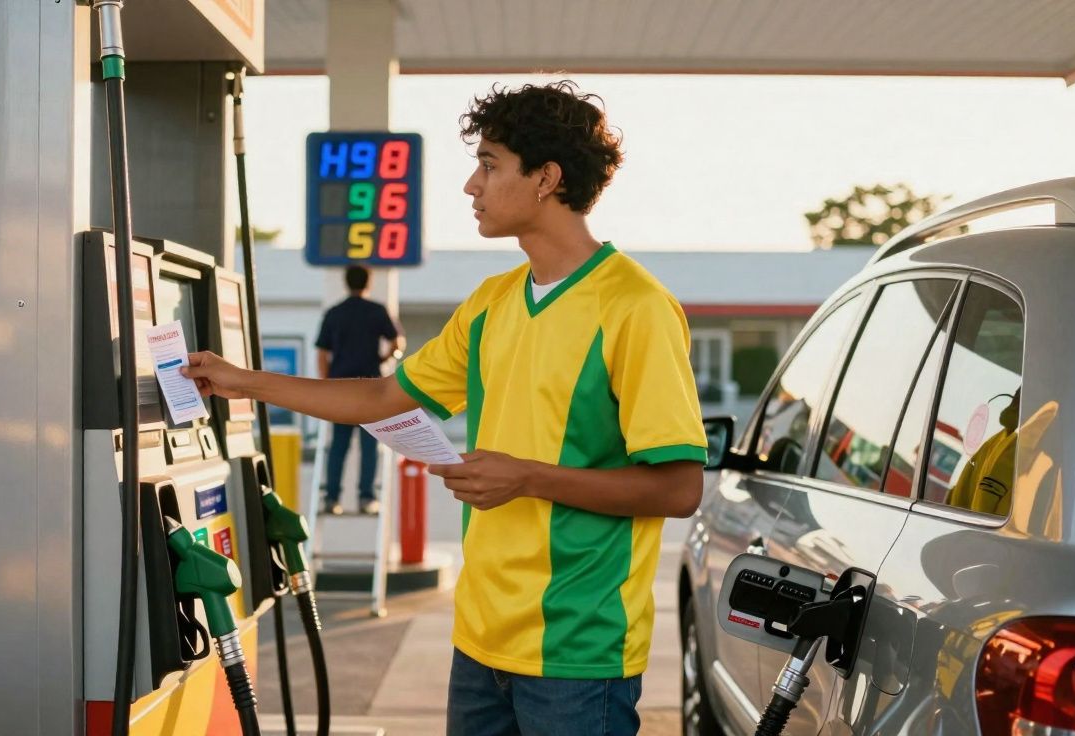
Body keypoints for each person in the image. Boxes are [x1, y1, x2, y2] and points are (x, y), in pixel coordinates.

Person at [184, 80, 706, 735]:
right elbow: (381, 396)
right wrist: (243, 381)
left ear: (546, 178)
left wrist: (527, 477)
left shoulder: (636, 308)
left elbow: (680, 487)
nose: (471, 185)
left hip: (577, 653)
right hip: (480, 640)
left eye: (489, 164)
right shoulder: (490, 301)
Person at [315, 265, 404, 515]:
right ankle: (367, 498)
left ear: (346, 282)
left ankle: (331, 499)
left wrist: (326, 385)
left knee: (338, 447)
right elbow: (398, 342)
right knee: (369, 447)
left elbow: (322, 353)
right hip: (370, 389)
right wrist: (384, 358)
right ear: (368, 283)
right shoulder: (377, 311)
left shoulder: (334, 313)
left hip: (341, 390)